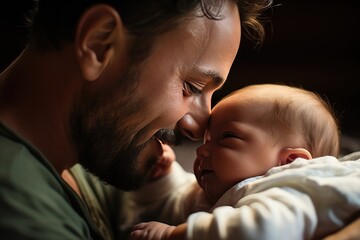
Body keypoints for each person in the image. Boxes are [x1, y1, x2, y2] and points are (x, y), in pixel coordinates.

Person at [0, 0, 275, 239]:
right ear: (99, 44)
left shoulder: (89, 151)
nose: (201, 127)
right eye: (191, 87)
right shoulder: (19, 206)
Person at [127, 84, 360, 240]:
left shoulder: (289, 187)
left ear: (290, 161)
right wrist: (163, 178)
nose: (202, 150)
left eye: (227, 137)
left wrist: (173, 235)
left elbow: (259, 231)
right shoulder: (224, 189)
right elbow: (182, 205)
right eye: (207, 140)